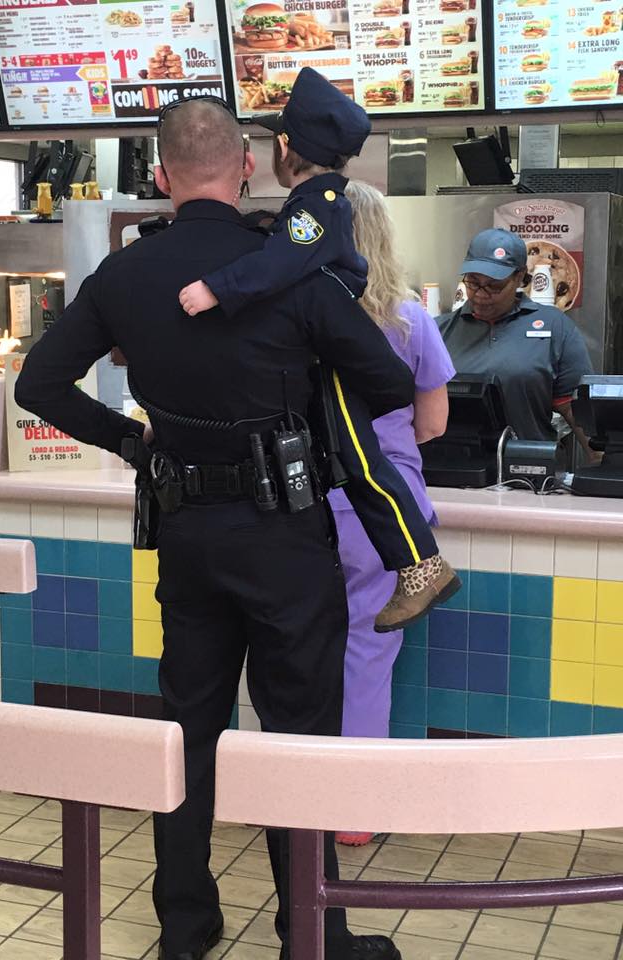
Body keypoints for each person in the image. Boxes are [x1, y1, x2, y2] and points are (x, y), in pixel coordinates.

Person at [14, 97, 412, 960]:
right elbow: (385, 382)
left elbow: (38, 386)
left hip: (187, 533)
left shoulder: (127, 274)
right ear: (244, 168)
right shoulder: (284, 268)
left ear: (159, 176)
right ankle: (314, 930)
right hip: (287, 541)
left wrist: (131, 437)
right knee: (300, 735)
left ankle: (185, 931)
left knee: (187, 731)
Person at [179, 67, 460, 633]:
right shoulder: (318, 204)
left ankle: (421, 565)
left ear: (286, 147)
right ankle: (418, 564)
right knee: (355, 459)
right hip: (333, 347)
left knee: (362, 464)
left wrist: (218, 288)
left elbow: (284, 262)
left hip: (335, 357)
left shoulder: (315, 204)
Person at [330, 181, 455, 847]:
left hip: (305, 502)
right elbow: (433, 422)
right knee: (367, 654)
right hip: (385, 510)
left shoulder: (296, 315)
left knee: (300, 650)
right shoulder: (409, 318)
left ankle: (294, 794)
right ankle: (353, 814)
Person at [438, 228, 594, 452]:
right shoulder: (438, 331)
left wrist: (601, 465)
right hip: (450, 469)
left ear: (520, 276)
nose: (481, 294)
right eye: (473, 282)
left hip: (526, 470)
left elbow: (577, 412)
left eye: (494, 285)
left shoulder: (555, 328)